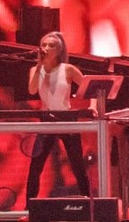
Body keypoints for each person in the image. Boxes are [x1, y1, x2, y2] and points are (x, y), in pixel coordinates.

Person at [25, 32, 92, 200]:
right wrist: (40, 66)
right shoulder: (34, 70)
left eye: (51, 45)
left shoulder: (67, 69)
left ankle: (89, 202)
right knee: (36, 166)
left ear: (59, 50)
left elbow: (90, 87)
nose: (46, 48)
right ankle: (29, 207)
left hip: (67, 118)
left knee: (77, 164)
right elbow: (32, 90)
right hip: (46, 118)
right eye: (44, 45)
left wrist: (93, 106)